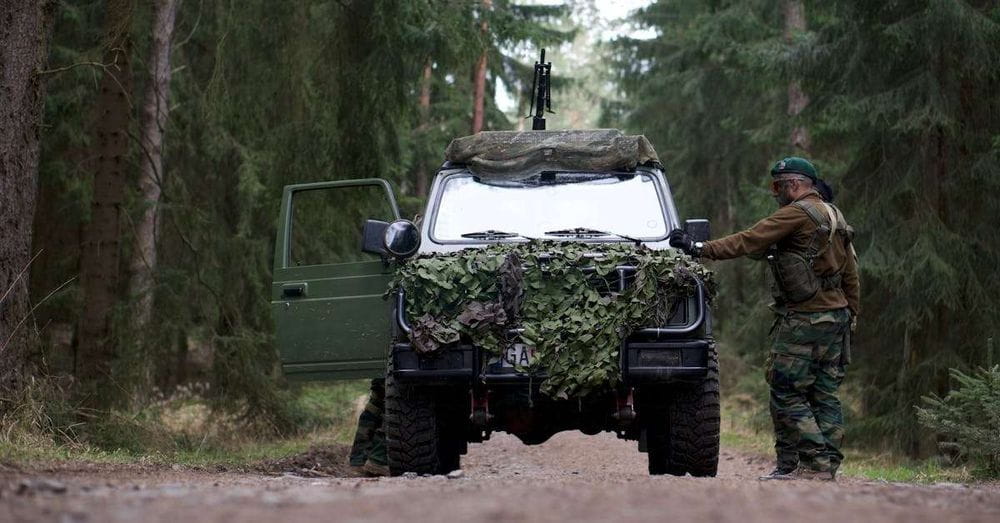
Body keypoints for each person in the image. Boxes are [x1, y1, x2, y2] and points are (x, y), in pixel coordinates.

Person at [669, 157, 859, 481]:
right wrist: (851, 314)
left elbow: (749, 239)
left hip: (805, 319)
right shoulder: (834, 215)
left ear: (795, 185)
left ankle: (813, 464)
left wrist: (699, 247)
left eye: (778, 186)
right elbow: (851, 273)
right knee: (824, 392)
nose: (775, 194)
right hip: (835, 317)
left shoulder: (796, 214)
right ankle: (812, 465)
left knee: (786, 389)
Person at [348, 378, 389, 476]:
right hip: (398, 371)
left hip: (383, 371)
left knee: (375, 406)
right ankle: (378, 459)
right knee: (400, 404)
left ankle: (359, 462)